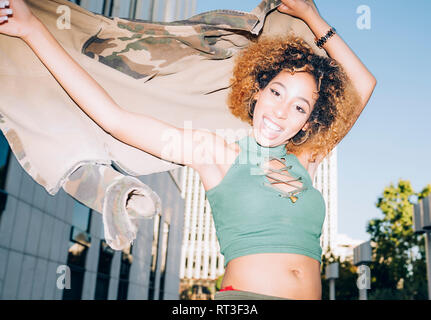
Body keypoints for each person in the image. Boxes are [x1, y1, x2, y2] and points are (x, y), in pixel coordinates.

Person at [0, 0, 376, 300]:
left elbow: (365, 83)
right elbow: (114, 118)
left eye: (299, 107)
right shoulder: (216, 153)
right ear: (258, 90)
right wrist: (32, 30)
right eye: (277, 92)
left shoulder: (306, 161)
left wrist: (313, 16)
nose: (280, 112)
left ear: (308, 122)